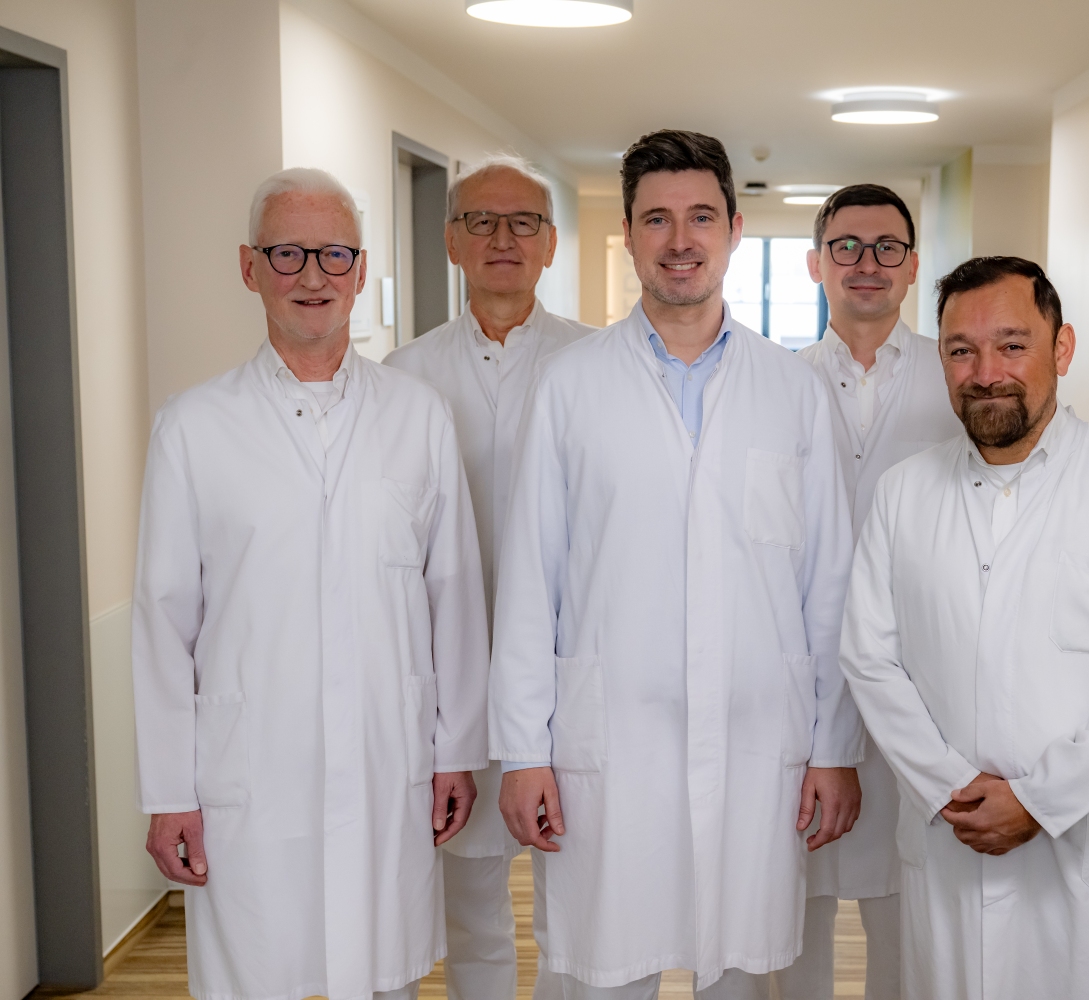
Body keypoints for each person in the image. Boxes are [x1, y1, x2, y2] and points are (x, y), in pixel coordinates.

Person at [491, 129, 862, 999]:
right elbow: (531, 577)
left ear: (735, 229)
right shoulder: (571, 384)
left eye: (701, 216)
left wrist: (834, 746)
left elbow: (829, 584)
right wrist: (522, 751)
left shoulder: (793, 391)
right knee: (602, 969)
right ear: (628, 234)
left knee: (737, 970)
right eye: (657, 219)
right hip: (610, 738)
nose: (680, 239)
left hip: (756, 736)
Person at [133, 167, 490, 1000]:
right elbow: (162, 620)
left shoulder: (417, 415)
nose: (312, 276)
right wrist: (168, 790)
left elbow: (454, 593)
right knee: (255, 972)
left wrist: (455, 751)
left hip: (384, 752)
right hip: (251, 764)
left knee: (381, 972)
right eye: (287, 253)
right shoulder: (194, 426)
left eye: (335, 255)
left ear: (361, 272)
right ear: (249, 267)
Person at [841, 256, 1089, 999]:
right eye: (961, 350)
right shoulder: (902, 494)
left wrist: (1040, 800)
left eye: (1012, 345)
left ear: (1061, 349)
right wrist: (950, 786)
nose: (986, 373)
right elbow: (870, 658)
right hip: (953, 836)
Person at [385, 152, 594, 1000]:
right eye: (481, 221)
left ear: (550, 244)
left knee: (578, 901)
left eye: (523, 223)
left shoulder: (596, 364)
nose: (503, 238)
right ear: (451, 241)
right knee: (472, 904)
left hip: (572, 670)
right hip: (456, 676)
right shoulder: (403, 378)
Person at [782, 183, 960, 1000]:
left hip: (922, 677)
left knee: (907, 917)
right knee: (793, 911)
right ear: (816, 263)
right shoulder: (777, 383)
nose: (866, 263)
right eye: (846, 246)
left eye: (887, 247)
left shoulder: (953, 377)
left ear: (914, 266)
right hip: (801, 672)